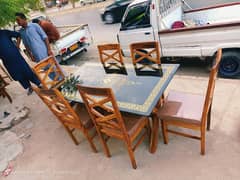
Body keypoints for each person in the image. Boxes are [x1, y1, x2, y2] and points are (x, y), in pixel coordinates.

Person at [0, 30, 41, 95]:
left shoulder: (4, 32)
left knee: (26, 71)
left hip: (17, 57)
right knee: (18, 75)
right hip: (7, 62)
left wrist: (17, 45)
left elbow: (18, 35)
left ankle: (38, 83)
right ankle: (29, 87)